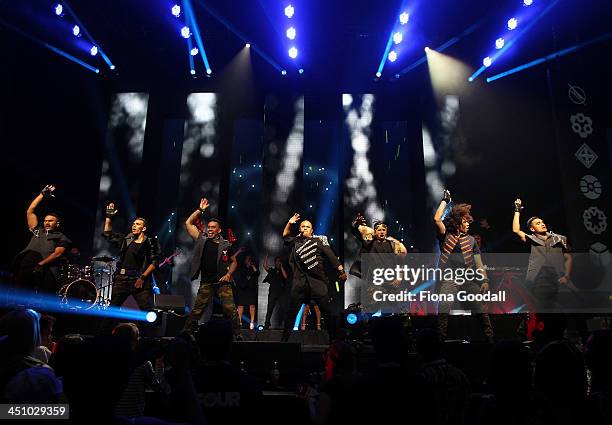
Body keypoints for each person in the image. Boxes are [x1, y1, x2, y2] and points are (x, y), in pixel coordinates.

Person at [433, 190, 494, 341]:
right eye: (465, 221)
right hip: (449, 278)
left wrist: (485, 280)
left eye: (468, 222)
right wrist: (445, 201)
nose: (468, 224)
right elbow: (436, 219)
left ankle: (489, 339)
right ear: (458, 221)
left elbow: (479, 263)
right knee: (444, 308)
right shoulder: (446, 235)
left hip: (467, 279)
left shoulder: (472, 241)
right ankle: (440, 340)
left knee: (480, 310)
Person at [512, 198, 573, 340]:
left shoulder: (559, 239)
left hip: (557, 278)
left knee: (558, 312)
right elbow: (516, 230)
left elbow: (568, 257)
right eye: (538, 223)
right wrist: (517, 210)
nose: (542, 224)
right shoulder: (531, 238)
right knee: (543, 310)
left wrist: (567, 276)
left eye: (542, 222)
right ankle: (535, 333)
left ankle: (552, 335)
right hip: (539, 279)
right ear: (532, 229)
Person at [281, 213, 347, 342]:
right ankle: (283, 343)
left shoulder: (318, 241)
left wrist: (341, 271)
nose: (305, 228)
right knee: (291, 314)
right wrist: (289, 222)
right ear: (300, 229)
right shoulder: (295, 241)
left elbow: (331, 256)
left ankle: (335, 342)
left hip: (317, 284)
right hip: (299, 285)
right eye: (303, 226)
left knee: (327, 314)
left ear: (312, 230)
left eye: (308, 227)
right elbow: (285, 236)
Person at [183, 198, 241, 338]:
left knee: (231, 310)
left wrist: (228, 275)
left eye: (213, 227)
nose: (209, 229)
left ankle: (238, 336)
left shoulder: (226, 244)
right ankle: (185, 335)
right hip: (207, 282)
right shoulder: (201, 239)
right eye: (208, 227)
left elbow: (234, 262)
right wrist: (200, 210)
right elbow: (188, 223)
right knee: (197, 311)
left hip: (223, 282)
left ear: (219, 230)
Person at [102, 202, 160, 316]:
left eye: (137, 224)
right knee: (112, 309)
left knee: (147, 311)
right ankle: (104, 333)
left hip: (139, 280)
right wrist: (109, 217)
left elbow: (154, 262)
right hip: (122, 279)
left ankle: (148, 333)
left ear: (144, 228)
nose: (134, 225)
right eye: (133, 224)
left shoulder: (150, 242)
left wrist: (142, 278)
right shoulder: (126, 239)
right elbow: (108, 234)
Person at [12, 185, 70, 294]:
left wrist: (40, 264)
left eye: (50, 221)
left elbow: (57, 254)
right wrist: (41, 195)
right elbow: (30, 211)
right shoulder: (38, 230)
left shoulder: (61, 237)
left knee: (43, 296)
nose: (47, 223)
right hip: (27, 265)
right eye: (45, 221)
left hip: (45, 268)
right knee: (20, 293)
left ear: (57, 224)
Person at [262, 256, 289, 329]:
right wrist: (266, 258)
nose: (278, 262)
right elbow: (265, 266)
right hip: (273, 292)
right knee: (269, 308)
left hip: (281, 293)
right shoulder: (272, 270)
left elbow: (285, 277)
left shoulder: (282, 270)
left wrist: (281, 267)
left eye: (279, 261)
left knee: (284, 308)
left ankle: (285, 324)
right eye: (277, 261)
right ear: (275, 262)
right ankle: (267, 324)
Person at [234, 254, 260, 330]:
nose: (249, 260)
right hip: (242, 288)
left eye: (250, 259)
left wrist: (252, 265)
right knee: (240, 306)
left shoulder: (253, 268)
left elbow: (257, 273)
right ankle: (239, 322)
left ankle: (251, 322)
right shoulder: (241, 268)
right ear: (245, 260)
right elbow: (240, 275)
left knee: (252, 306)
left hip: (250, 289)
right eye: (247, 259)